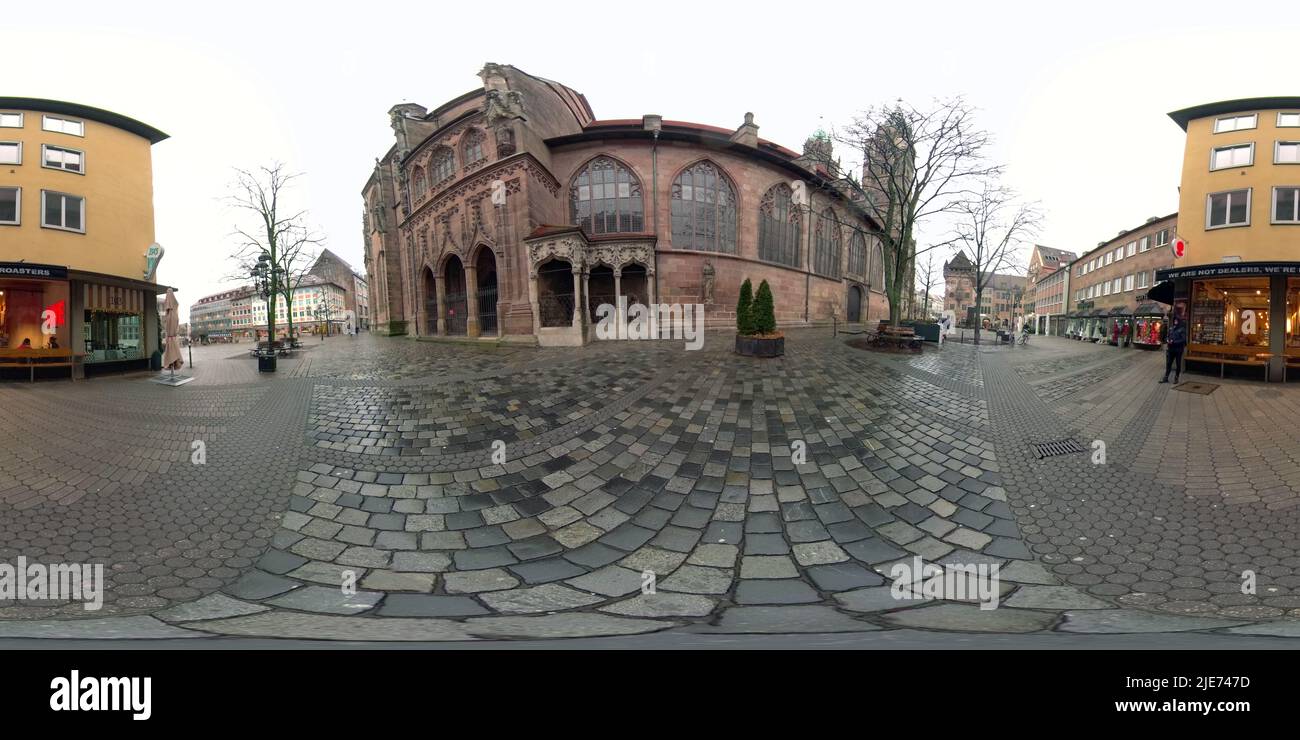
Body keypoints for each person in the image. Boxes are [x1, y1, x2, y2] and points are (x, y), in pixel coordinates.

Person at [1160, 315, 1187, 384]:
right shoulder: (1171, 328)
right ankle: (1166, 377)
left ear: (1179, 321)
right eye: (1174, 320)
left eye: (1176, 320)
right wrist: (1167, 340)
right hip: (1171, 349)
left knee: (1178, 364)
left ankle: (1176, 377)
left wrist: (1174, 342)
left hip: (1178, 350)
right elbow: (1167, 336)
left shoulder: (1182, 329)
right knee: (1169, 363)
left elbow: (1183, 340)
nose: (1175, 321)